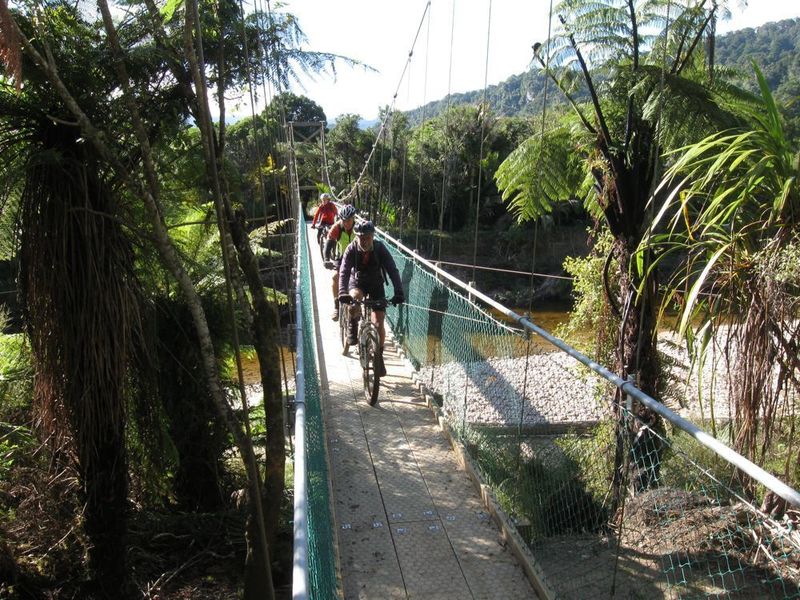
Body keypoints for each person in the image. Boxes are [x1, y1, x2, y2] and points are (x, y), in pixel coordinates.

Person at [338, 221, 404, 376]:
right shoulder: (351, 249)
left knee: (379, 322)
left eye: (367, 237)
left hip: (376, 283)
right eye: (361, 238)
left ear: (373, 236)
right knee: (354, 299)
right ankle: (352, 327)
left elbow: (392, 270)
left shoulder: (380, 248)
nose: (364, 241)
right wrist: (342, 291)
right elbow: (344, 271)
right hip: (358, 282)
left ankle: (379, 357)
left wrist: (399, 292)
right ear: (356, 237)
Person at [323, 204, 357, 321]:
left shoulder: (358, 228)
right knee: (335, 277)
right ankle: (336, 307)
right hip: (340, 258)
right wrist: (326, 259)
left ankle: (359, 305)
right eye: (344, 220)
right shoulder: (337, 228)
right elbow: (328, 245)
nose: (346, 223)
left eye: (349, 220)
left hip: (357, 257)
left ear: (354, 218)